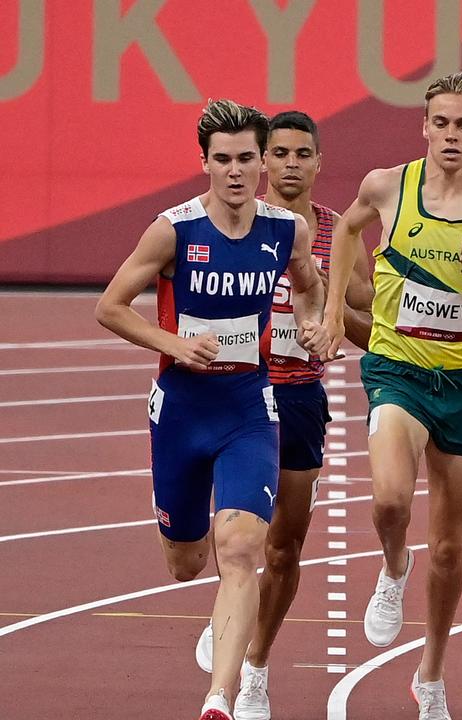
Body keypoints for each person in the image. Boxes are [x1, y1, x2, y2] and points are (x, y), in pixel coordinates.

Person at [94, 99, 333, 720]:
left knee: (242, 548)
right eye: (222, 160)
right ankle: (194, 566)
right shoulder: (172, 230)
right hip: (181, 409)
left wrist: (310, 325)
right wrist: (175, 344)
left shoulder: (286, 230)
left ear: (261, 163)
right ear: (204, 163)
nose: (235, 171)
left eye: (246, 159)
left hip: (249, 406)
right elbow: (111, 306)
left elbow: (309, 285)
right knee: (186, 562)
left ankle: (220, 699)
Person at [319, 70, 462, 719]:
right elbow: (344, 232)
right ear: (424, 125)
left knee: (450, 548)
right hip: (397, 370)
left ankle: (431, 675)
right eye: (440, 122)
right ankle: (392, 565)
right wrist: (334, 314)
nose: (451, 135)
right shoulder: (390, 185)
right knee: (389, 498)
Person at [188, 110, 376, 720]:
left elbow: (373, 331)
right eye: (282, 153)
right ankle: (229, 613)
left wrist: (329, 322)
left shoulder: (340, 233)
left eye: (304, 154)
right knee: (238, 538)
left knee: (287, 547)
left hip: (297, 400)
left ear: (320, 162)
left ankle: (258, 667)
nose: (292, 164)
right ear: (263, 161)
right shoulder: (229, 223)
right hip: (237, 394)